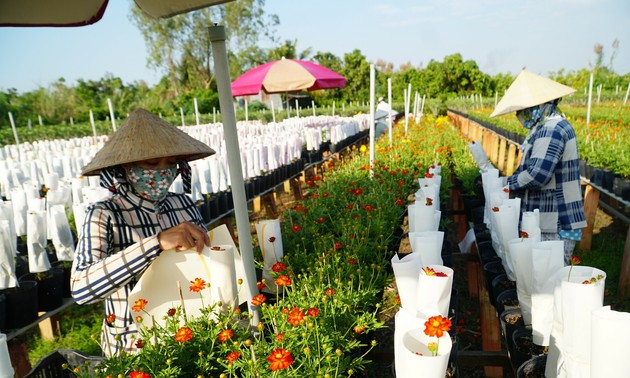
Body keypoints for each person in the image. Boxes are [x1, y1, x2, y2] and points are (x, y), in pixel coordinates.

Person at [71, 108, 214, 356]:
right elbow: (82, 289)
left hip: (192, 332)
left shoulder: (184, 204)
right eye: (151, 163)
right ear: (126, 167)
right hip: (134, 347)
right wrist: (155, 243)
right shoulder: (104, 214)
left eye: (171, 163)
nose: (163, 171)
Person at [490, 70, 587, 264]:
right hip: (552, 217)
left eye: (524, 109)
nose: (519, 114)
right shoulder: (548, 127)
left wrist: (505, 183)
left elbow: (537, 175)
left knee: (550, 277)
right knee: (546, 276)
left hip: (555, 220)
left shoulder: (551, 130)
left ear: (540, 106)